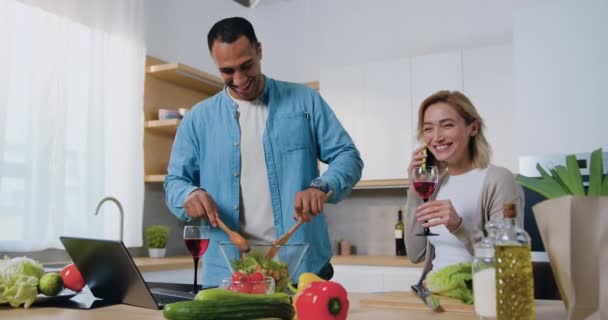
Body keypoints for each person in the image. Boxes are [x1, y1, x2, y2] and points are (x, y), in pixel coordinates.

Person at [164, 17, 363, 286]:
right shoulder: (197, 119)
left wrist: (321, 185)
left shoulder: (306, 101)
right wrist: (189, 194)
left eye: (246, 66)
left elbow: (347, 155)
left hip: (301, 269)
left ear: (259, 51)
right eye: (227, 71)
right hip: (226, 273)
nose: (240, 79)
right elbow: (175, 182)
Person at [405, 90, 524, 275]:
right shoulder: (436, 185)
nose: (436, 137)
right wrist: (414, 193)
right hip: (436, 295)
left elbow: (507, 261)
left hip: (476, 295)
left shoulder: (499, 180)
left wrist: (458, 226)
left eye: (447, 125)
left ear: (473, 127)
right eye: (428, 128)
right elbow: (415, 254)